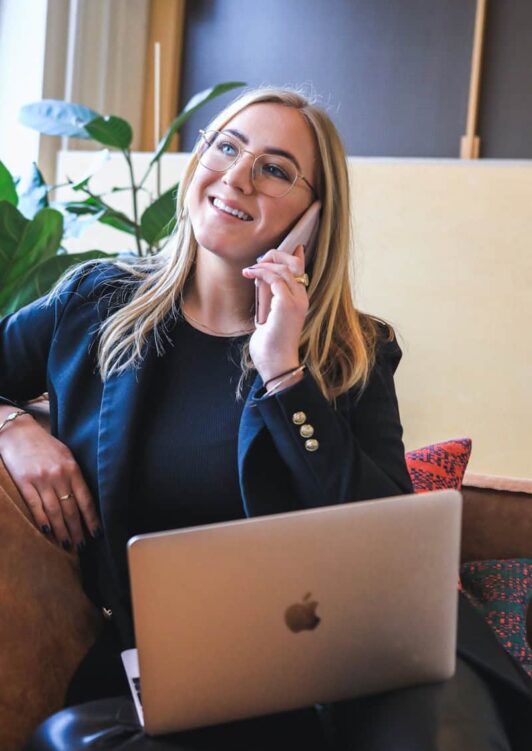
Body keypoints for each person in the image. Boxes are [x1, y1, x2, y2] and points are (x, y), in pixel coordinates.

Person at [0, 87, 530, 750]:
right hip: (179, 677)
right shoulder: (95, 305)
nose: (236, 176)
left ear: (312, 217)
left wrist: (284, 373)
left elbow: (387, 536)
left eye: (275, 169)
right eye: (227, 146)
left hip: (361, 666)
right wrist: (11, 426)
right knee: (67, 738)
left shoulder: (352, 351)